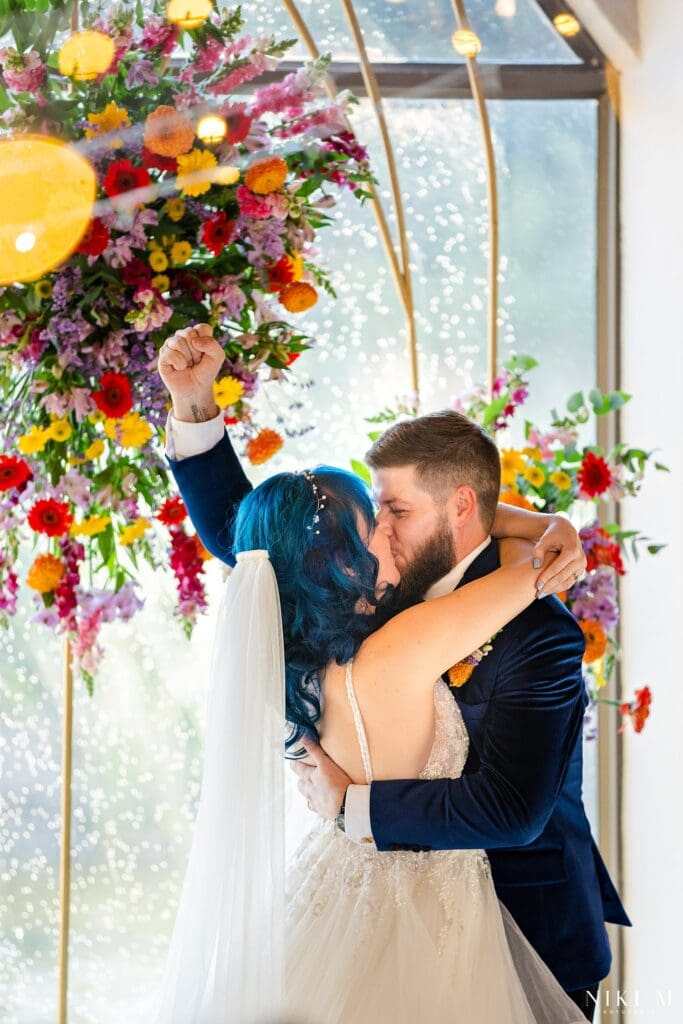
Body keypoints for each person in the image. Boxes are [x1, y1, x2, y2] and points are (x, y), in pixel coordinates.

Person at [155, 324, 630, 1022]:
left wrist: (351, 806)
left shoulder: (540, 635)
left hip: (529, 925)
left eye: (395, 510)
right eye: (376, 511)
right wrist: (194, 407)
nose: (380, 526)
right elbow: (264, 548)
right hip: (382, 918)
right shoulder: (375, 584)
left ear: (457, 508)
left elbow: (512, 810)